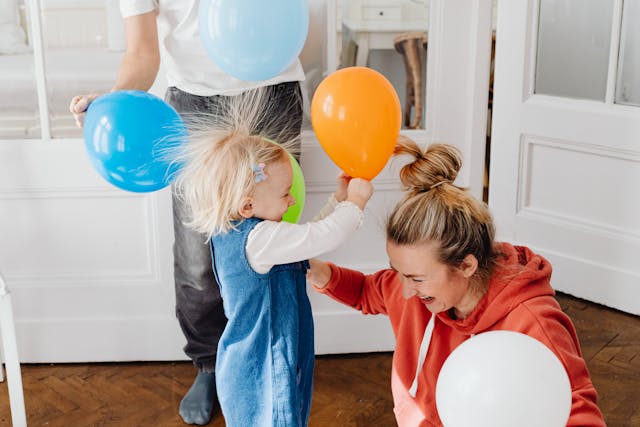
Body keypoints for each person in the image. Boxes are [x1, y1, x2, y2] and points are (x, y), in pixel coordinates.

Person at [68, 2, 305, 425]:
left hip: (272, 89)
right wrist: (116, 100)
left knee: (275, 243)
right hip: (194, 103)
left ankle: (277, 361)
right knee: (199, 256)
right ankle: (210, 364)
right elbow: (142, 53)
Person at [306, 138, 606, 427]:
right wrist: (317, 270)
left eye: (416, 278)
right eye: (397, 271)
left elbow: (578, 414)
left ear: (466, 265)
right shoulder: (412, 289)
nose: (405, 289)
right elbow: (366, 291)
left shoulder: (533, 324)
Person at [171, 88, 373, 426]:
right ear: (247, 205)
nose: (292, 202)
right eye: (285, 194)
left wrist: (338, 200)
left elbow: (305, 236)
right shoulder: (260, 240)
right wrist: (355, 204)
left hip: (267, 352)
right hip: (266, 359)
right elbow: (323, 235)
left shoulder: (248, 232)